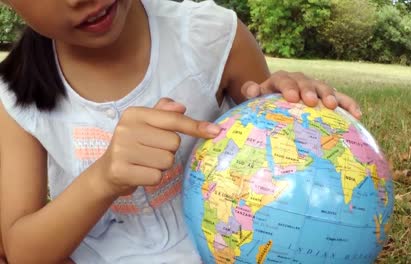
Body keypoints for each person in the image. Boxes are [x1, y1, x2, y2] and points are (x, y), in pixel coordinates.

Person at [0, 0, 362, 263]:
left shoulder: (212, 35)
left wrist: (285, 105)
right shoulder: (14, 93)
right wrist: (103, 179)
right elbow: (21, 251)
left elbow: (267, 128)